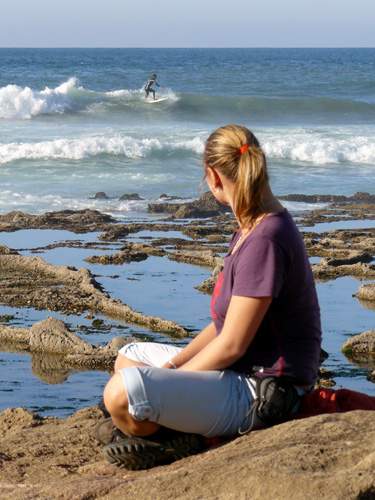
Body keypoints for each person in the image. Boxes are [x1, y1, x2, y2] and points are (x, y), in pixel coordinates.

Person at [100, 124, 322, 469]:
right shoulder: (251, 227)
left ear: (213, 177)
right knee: (127, 356)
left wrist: (176, 377)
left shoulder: (265, 239)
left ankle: (173, 442)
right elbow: (222, 325)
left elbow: (232, 344)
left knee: (119, 394)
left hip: (260, 390)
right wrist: (174, 366)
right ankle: (171, 423)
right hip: (238, 371)